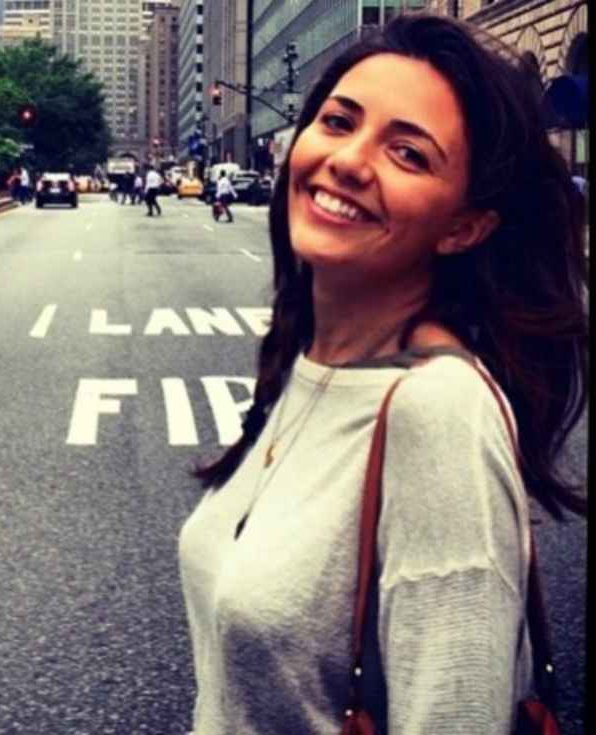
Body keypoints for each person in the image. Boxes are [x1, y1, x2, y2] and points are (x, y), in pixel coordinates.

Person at [178, 13, 587, 735]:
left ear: (465, 226)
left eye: (408, 153)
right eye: (339, 122)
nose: (348, 160)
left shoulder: (440, 413)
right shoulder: (309, 360)